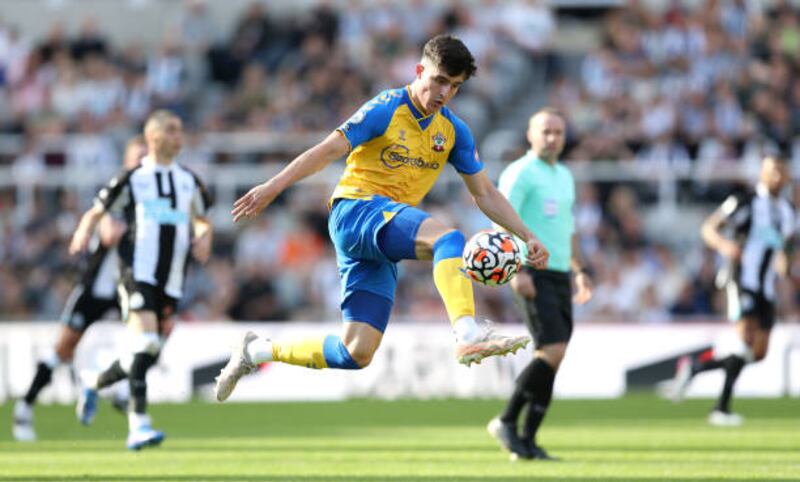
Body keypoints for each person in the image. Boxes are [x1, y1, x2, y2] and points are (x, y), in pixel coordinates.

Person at [214, 34, 549, 402]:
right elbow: (329, 149)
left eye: (454, 86)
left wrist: (525, 234)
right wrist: (273, 187)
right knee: (449, 240)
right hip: (355, 210)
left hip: (382, 234)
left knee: (356, 352)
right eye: (439, 80)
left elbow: (484, 192)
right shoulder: (386, 107)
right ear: (420, 70)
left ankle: (257, 351)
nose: (444, 93)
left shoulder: (453, 131)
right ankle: (467, 332)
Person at [69, 109, 213, 450]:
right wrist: (83, 229)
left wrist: (205, 236)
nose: (180, 136)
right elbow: (98, 209)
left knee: (148, 351)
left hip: (172, 279)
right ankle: (139, 425)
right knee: (145, 342)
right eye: (173, 130)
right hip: (137, 272)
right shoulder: (134, 178)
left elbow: (202, 219)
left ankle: (94, 380)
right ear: (154, 138)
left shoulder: (189, 181)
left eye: (181, 130)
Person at [12, 136, 147, 442]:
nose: (141, 163)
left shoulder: (153, 198)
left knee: (145, 341)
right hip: (95, 289)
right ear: (126, 162)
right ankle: (25, 406)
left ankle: (116, 392)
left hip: (126, 289)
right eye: (136, 157)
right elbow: (110, 233)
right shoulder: (116, 196)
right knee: (62, 349)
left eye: (146, 157)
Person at [487, 108, 593, 461]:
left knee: (552, 357)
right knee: (553, 349)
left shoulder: (564, 175)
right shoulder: (520, 173)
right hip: (533, 271)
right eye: (546, 131)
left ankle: (527, 441)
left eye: (558, 132)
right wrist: (516, 269)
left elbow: (568, 228)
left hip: (561, 272)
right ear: (530, 135)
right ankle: (505, 421)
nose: (552, 138)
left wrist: (579, 270)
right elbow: (502, 222)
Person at [671, 153, 795, 426]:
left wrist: (788, 272)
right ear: (762, 173)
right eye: (771, 170)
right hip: (741, 279)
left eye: (781, 171)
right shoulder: (746, 201)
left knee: (758, 353)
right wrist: (725, 246)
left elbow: (785, 250)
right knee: (745, 339)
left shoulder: (788, 211)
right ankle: (721, 408)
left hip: (766, 288)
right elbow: (709, 228)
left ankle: (695, 366)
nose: (776, 176)